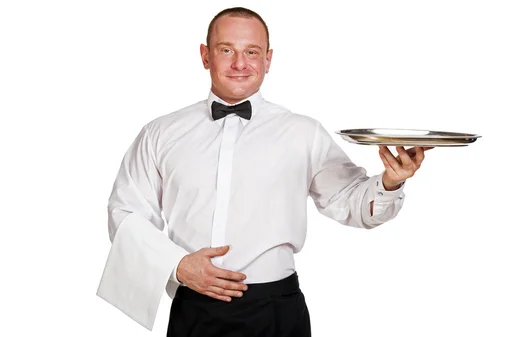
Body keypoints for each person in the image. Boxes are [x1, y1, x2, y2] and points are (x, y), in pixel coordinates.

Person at [97, 6, 431, 337]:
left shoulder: (303, 132)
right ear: (205, 56)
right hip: (193, 308)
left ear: (268, 60)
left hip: (277, 311)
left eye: (251, 52)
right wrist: (178, 266)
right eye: (226, 49)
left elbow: (351, 201)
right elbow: (125, 211)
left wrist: (391, 181)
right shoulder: (160, 133)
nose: (239, 63)